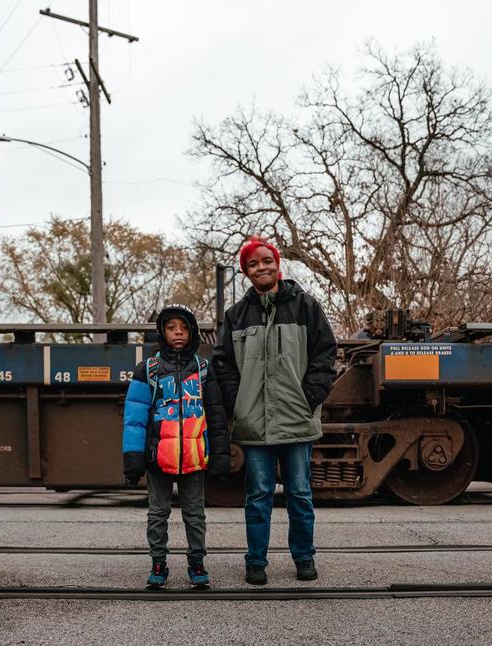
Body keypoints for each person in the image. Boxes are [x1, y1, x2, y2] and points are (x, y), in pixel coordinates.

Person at [213, 237, 337, 585]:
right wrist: (241, 403)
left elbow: (325, 354)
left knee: (299, 492)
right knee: (257, 495)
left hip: (296, 417)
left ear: (277, 263)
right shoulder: (236, 316)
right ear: (246, 272)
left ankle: (304, 557)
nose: (261, 267)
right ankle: (256, 561)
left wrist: (308, 397)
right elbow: (223, 365)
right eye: (253, 264)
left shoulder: (306, 306)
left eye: (266, 260)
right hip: (255, 422)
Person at [122, 304, 230, 589]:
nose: (178, 333)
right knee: (158, 513)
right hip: (159, 457)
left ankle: (197, 563)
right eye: (171, 328)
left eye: (183, 328)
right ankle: (158, 563)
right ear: (162, 332)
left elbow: (216, 415)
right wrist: (133, 459)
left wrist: (220, 455)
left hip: (193, 456)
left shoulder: (203, 370)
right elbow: (134, 419)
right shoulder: (148, 370)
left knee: (195, 514)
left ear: (192, 332)